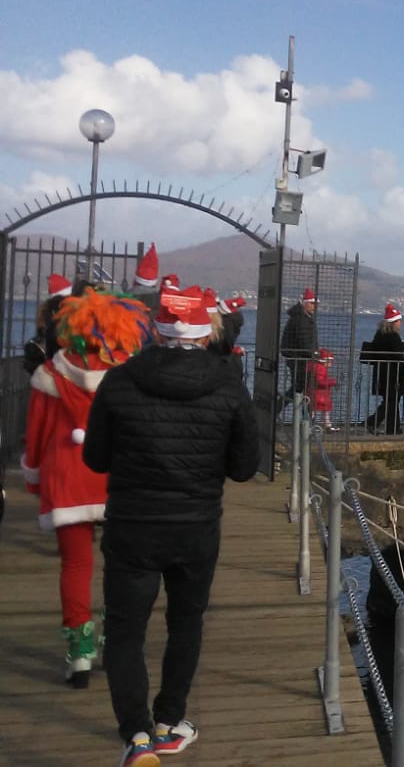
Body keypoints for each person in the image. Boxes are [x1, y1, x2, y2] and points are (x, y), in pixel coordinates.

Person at [83, 292, 257, 766]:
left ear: (156, 331)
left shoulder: (119, 382)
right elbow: (245, 468)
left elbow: (95, 457)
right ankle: (168, 722)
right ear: (206, 334)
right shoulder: (227, 387)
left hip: (132, 526)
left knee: (124, 632)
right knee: (185, 623)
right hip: (195, 526)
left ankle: (136, 738)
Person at [24, 286, 151, 690]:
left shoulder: (50, 373)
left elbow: (36, 434)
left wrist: (32, 476)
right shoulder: (129, 372)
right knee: (121, 564)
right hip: (116, 475)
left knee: (76, 566)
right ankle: (115, 643)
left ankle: (79, 654)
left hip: (66, 473)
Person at [362, 304, 404, 435]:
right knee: (392, 401)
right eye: (399, 321)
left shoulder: (379, 335)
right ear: (394, 322)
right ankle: (376, 422)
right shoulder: (394, 337)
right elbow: (399, 357)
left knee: (390, 400)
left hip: (381, 372)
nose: (401, 323)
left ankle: (392, 427)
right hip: (393, 373)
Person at [23, 273, 73, 375]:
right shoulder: (72, 309)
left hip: (47, 365)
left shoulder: (46, 310)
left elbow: (42, 331)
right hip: (67, 362)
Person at [280, 287, 317, 407]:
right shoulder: (301, 319)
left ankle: (303, 417)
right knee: (298, 388)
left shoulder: (301, 317)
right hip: (299, 358)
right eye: (312, 303)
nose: (314, 306)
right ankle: (302, 418)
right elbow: (304, 340)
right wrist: (314, 354)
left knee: (298, 388)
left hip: (297, 357)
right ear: (305, 303)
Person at [309, 348, 337, 432]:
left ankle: (312, 425)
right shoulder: (320, 369)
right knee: (323, 410)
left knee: (313, 410)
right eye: (330, 361)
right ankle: (325, 426)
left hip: (316, 393)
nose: (331, 363)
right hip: (319, 393)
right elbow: (320, 382)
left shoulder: (314, 366)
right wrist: (333, 382)